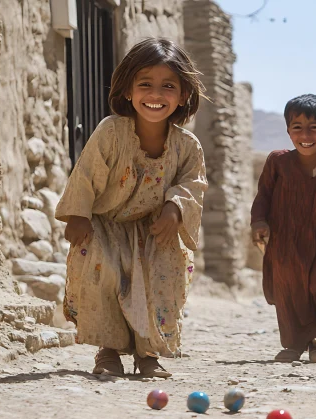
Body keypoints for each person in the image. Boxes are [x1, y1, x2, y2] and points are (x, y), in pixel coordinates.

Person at [55, 38, 208, 378]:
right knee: (105, 277)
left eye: (168, 86)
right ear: (127, 90)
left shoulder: (187, 145)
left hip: (155, 228)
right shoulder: (111, 132)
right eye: (145, 85)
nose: (156, 95)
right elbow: (86, 174)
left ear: (183, 95)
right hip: (106, 225)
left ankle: (148, 355)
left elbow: (193, 183)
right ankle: (108, 352)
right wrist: (78, 214)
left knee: (159, 282)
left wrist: (175, 207)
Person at [250, 94, 316, 363]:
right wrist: (259, 222)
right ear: (288, 130)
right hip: (285, 244)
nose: (305, 135)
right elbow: (263, 196)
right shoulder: (278, 162)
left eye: (314, 128)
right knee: (291, 293)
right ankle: (301, 343)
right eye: (297, 127)